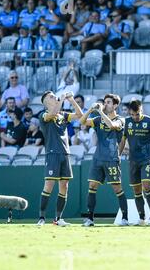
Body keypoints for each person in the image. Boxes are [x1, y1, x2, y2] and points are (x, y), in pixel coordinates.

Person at [80, 94, 129, 227]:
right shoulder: (97, 119)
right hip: (98, 158)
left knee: (117, 188)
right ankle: (90, 219)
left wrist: (100, 111)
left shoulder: (121, 120)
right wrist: (90, 110)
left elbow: (112, 125)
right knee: (92, 186)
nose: (105, 104)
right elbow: (82, 122)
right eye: (105, 102)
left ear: (115, 105)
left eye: (108, 102)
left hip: (112, 159)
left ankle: (125, 218)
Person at [37, 90, 84, 226]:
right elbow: (52, 114)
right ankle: (41, 218)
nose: (55, 97)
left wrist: (72, 100)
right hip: (52, 153)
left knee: (64, 186)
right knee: (49, 185)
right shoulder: (44, 115)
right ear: (46, 103)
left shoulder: (62, 115)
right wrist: (62, 99)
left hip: (65, 153)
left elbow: (80, 115)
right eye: (51, 97)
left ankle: (58, 219)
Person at [119, 99, 150, 225]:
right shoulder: (127, 122)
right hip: (133, 161)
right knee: (136, 190)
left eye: (136, 114)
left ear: (141, 110)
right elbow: (123, 140)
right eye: (132, 114)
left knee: (147, 186)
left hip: (146, 159)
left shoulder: (149, 121)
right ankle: (142, 218)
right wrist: (118, 155)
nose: (134, 117)